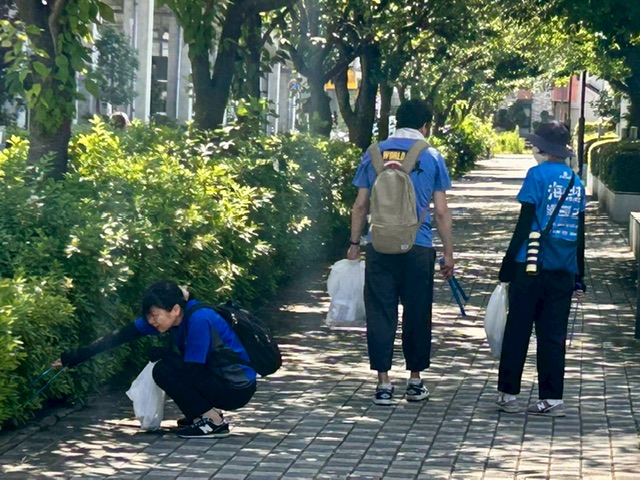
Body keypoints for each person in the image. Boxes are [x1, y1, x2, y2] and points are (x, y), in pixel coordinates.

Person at [347, 99, 455, 405]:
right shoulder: (431, 155)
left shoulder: (373, 153)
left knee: (380, 312)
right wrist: (448, 253)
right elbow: (441, 211)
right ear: (425, 126)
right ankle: (415, 381)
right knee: (417, 312)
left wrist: (354, 244)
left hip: (379, 244)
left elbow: (360, 205)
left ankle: (383, 383)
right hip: (418, 245)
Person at [53, 280, 257, 438]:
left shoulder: (199, 319)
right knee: (165, 366)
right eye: (148, 316)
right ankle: (201, 416)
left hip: (235, 388)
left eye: (154, 315)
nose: (151, 321)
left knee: (163, 370)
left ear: (175, 309)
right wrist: (76, 356)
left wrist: (166, 355)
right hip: (219, 380)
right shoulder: (173, 317)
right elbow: (121, 335)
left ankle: (213, 422)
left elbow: (193, 369)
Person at [497, 121, 586, 417]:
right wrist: (580, 276)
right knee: (553, 334)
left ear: (545, 148)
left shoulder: (536, 175)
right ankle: (552, 399)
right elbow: (580, 233)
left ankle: (508, 394)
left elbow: (524, 222)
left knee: (518, 328)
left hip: (530, 264)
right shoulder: (576, 182)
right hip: (564, 269)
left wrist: (508, 263)